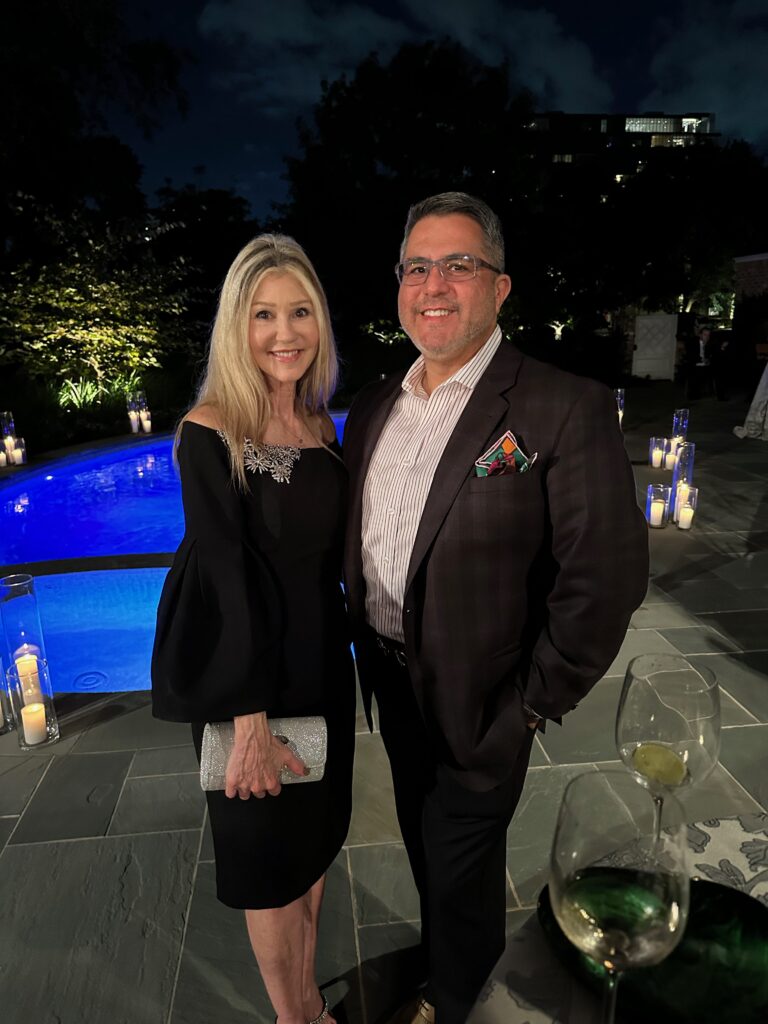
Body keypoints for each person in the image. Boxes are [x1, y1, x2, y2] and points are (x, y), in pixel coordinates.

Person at [342, 193, 649, 1024]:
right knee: (427, 847)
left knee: (460, 867)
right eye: (416, 267)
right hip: (391, 684)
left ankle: (460, 996)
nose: (433, 283)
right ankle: (451, 975)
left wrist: (530, 708)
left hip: (488, 703)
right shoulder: (372, 408)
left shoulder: (561, 405)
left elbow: (605, 580)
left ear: (501, 286)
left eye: (458, 264)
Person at [151, 234, 355, 1024]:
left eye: (300, 312)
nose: (284, 332)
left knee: (312, 850)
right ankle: (292, 1016)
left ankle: (309, 998)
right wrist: (247, 720)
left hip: (320, 666)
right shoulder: (211, 429)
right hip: (250, 677)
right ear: (238, 326)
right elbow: (227, 576)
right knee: (268, 864)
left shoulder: (324, 426)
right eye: (263, 313)